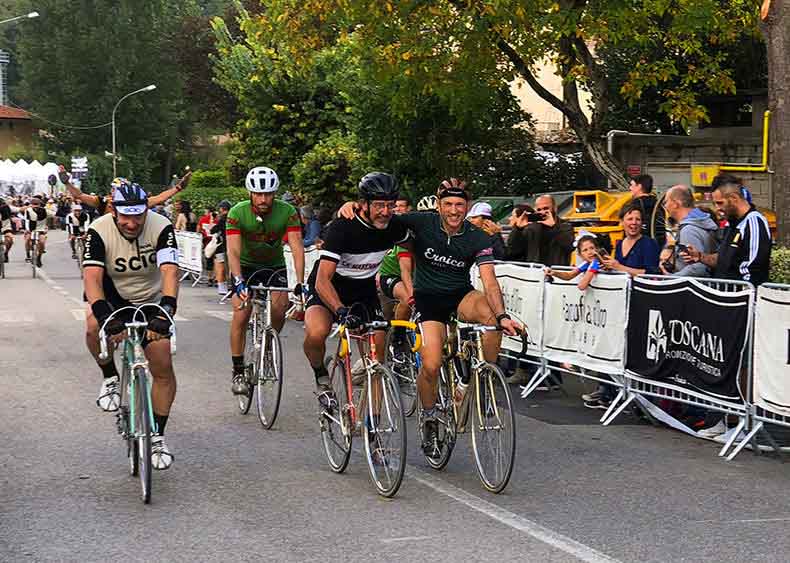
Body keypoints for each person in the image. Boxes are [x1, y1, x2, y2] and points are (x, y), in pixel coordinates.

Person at [337, 177, 522, 458]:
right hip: (428, 299)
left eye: (460, 204)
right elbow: (383, 214)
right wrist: (353, 206)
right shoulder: (422, 222)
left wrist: (503, 316)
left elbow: (490, 281)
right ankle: (430, 417)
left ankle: (483, 381)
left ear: (467, 207)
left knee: (491, 316)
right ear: (439, 206)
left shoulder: (477, 237)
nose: (454, 210)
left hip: (460, 294)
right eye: (448, 204)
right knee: (432, 364)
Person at [81, 183, 180, 470]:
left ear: (147, 210)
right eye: (126, 216)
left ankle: (157, 436)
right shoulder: (98, 229)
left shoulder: (161, 227)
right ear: (114, 210)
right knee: (91, 326)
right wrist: (106, 317)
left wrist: (168, 310)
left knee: (161, 361)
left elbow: (170, 271)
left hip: (150, 297)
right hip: (113, 296)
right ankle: (110, 376)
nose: (132, 223)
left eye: (138, 216)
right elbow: (92, 279)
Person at [302, 172, 410, 408]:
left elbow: (419, 241)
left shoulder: (394, 226)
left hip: (363, 292)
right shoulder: (343, 227)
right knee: (317, 333)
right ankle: (321, 373)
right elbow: (322, 280)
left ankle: (371, 422)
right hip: (329, 288)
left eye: (390, 205)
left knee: (377, 357)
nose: (385, 211)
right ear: (363, 204)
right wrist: (340, 310)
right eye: (379, 205)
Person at [227, 166, 305, 395]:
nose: (263, 199)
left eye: (268, 194)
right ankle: (238, 370)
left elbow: (297, 247)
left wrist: (300, 282)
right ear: (250, 193)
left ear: (275, 193)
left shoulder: (288, 211)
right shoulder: (237, 213)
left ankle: (269, 345)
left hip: (274, 266)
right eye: (259, 194)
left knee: (280, 308)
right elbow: (232, 251)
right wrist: (238, 280)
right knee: (241, 311)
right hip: (246, 266)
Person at [681, 174, 772, 286]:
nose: (717, 208)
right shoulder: (731, 223)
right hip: (724, 295)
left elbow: (754, 269)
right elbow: (723, 259)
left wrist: (739, 296)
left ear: (734, 198)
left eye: (720, 203)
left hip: (739, 298)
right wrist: (699, 256)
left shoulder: (754, 221)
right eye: (715, 203)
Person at [64, 169, 192, 216]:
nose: (115, 192)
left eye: (119, 190)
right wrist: (67, 183)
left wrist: (178, 188)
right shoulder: (103, 201)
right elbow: (79, 195)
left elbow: (159, 198)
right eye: (114, 189)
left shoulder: (135, 201)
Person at [658, 185, 718, 277]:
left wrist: (673, 278)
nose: (665, 206)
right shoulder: (701, 222)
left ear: (675, 203)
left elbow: (698, 268)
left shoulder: (688, 230)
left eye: (666, 202)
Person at [506, 194, 574, 266]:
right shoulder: (531, 228)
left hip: (557, 272)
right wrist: (518, 229)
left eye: (546, 208)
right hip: (535, 272)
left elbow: (569, 246)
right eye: (539, 210)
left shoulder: (564, 226)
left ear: (555, 208)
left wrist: (554, 227)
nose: (542, 212)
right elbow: (513, 251)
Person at [601, 204, 660, 277]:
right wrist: (610, 267)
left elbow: (652, 274)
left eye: (638, 219)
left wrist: (619, 267)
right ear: (622, 222)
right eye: (630, 219)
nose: (634, 222)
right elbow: (619, 271)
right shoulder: (619, 244)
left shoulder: (649, 244)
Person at [23, 197, 52, 266]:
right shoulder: (28, 210)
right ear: (31, 204)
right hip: (30, 229)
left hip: (41, 229)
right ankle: (28, 254)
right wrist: (28, 230)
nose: (35, 205)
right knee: (27, 239)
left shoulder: (45, 210)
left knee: (42, 242)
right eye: (34, 204)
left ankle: (39, 257)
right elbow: (27, 221)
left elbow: (54, 214)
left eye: (37, 204)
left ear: (39, 204)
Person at [211, 200, 231, 297]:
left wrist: (213, 222)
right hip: (232, 245)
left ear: (222, 209)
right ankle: (228, 286)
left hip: (222, 246)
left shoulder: (223, 219)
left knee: (221, 267)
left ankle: (223, 287)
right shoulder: (233, 217)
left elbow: (213, 230)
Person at [629, 174, 658, 238]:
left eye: (632, 185)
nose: (630, 188)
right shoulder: (657, 203)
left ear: (639, 186)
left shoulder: (635, 204)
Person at [1, 197, 14, 262]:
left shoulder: (6, 207)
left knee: (10, 240)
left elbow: (18, 209)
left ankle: (6, 252)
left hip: (5, 227)